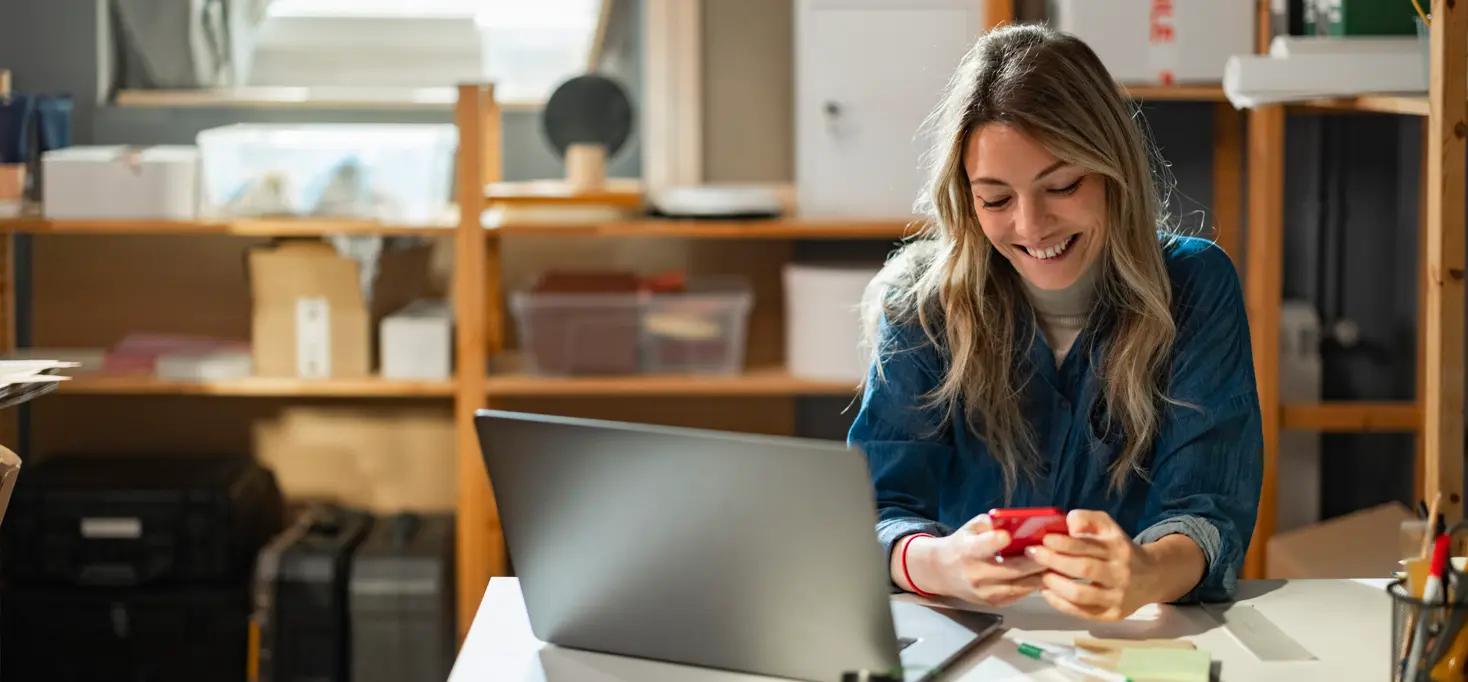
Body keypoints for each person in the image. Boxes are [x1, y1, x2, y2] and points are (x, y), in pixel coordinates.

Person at [849, 24, 1263, 622]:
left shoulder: (1196, 286)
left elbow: (1208, 507)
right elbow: (872, 510)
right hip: (971, 639)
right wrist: (939, 562)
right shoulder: (920, 304)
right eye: (995, 200)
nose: (1032, 225)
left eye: (1062, 185)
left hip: (1137, 637)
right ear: (965, 199)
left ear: (1112, 169)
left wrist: (1145, 572)